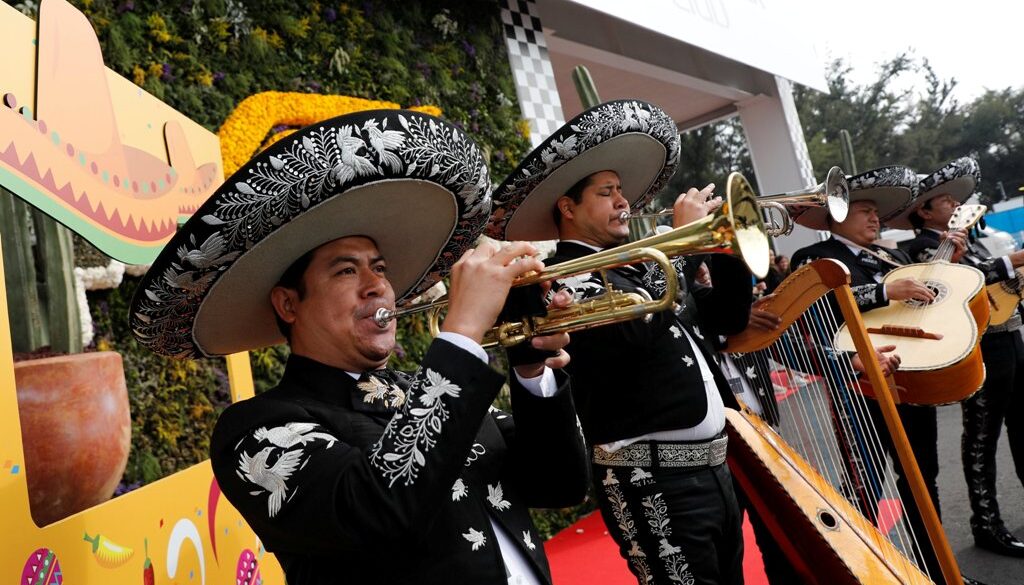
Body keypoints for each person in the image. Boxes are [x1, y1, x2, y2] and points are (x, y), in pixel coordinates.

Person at [129, 110, 589, 585]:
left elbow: (559, 483)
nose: (378, 287)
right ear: (288, 304)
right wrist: (463, 331)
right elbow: (380, 509)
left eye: (381, 268)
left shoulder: (424, 390)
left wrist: (531, 367)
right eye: (347, 271)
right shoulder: (257, 428)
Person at [489, 99, 751, 585]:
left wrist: (727, 246)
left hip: (714, 468)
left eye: (621, 191)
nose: (623, 201)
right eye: (606, 192)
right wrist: (682, 240)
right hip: (651, 480)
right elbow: (633, 329)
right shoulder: (562, 278)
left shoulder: (637, 263)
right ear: (567, 207)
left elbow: (730, 318)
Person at [791, 165, 987, 585]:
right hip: (859, 392)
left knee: (923, 481)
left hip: (910, 383)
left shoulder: (893, 257)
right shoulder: (813, 259)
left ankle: (939, 573)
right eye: (863, 209)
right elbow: (818, 305)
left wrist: (947, 268)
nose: (875, 217)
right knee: (864, 490)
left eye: (877, 212)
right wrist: (883, 291)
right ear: (836, 215)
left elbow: (929, 304)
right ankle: (867, 575)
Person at [890, 156, 1024, 558]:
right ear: (923, 211)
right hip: (978, 349)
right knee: (982, 438)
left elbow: (997, 282)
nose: (954, 204)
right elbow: (956, 281)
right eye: (943, 200)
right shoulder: (917, 248)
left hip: (1010, 337)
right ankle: (987, 522)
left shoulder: (971, 237)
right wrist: (1013, 261)